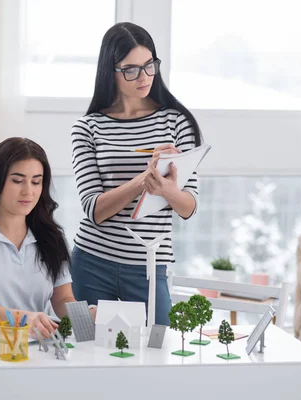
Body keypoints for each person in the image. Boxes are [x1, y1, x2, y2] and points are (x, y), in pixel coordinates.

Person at [70, 22, 203, 325]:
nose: (143, 77)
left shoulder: (176, 122)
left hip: (149, 265)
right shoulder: (87, 128)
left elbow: (189, 206)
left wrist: (165, 188)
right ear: (110, 71)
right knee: (86, 355)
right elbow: (94, 210)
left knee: (158, 353)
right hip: (91, 261)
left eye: (149, 66)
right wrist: (144, 178)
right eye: (131, 70)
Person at [0, 137, 94, 338]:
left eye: (36, 182)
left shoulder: (51, 237)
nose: (28, 191)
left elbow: (62, 300)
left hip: (36, 345)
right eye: (17, 180)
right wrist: (24, 319)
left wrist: (90, 316)